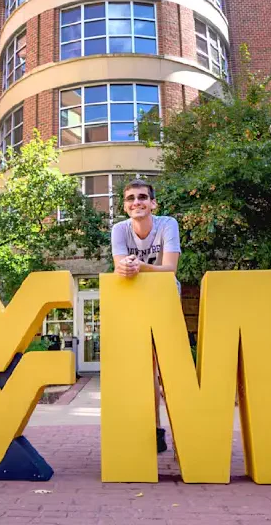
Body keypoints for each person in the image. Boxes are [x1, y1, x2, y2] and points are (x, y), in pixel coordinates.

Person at [111, 178, 180, 454]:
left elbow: (170, 269)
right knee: (145, 370)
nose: (136, 202)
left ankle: (184, 431)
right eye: (130, 198)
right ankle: (154, 428)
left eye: (142, 197)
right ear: (125, 206)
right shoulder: (119, 229)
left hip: (165, 299)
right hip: (135, 302)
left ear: (153, 203)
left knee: (170, 369)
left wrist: (138, 266)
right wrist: (127, 268)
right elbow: (119, 267)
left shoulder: (167, 224)